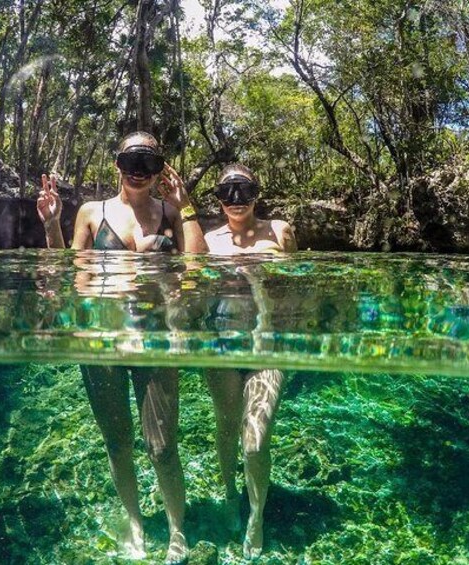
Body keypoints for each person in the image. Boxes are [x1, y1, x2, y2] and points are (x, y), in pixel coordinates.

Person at [36, 131, 206, 564]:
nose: (138, 170)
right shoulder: (92, 213)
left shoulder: (171, 213)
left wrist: (186, 206)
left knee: (163, 446)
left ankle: (176, 530)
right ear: (116, 164)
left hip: (155, 340)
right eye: (130, 160)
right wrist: (52, 224)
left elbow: (199, 267)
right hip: (103, 339)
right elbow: (71, 274)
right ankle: (134, 523)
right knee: (118, 443)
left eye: (148, 162)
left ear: (160, 169)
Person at [202, 164, 297, 558]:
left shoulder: (280, 231)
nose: (236, 201)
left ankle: (256, 516)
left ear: (257, 193)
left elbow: (295, 289)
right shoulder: (208, 240)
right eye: (227, 192)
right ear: (218, 198)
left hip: (267, 347)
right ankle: (229, 495)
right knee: (226, 428)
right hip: (222, 347)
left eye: (244, 191)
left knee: (255, 441)